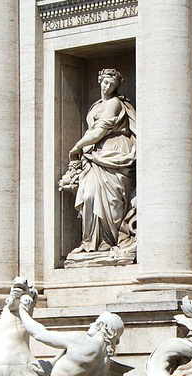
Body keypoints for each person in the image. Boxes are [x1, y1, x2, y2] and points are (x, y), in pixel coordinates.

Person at [61, 68, 137, 260]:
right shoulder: (95, 106)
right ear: (99, 81)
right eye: (105, 82)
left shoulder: (114, 103)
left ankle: (108, 241)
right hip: (96, 154)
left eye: (112, 84)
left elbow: (100, 131)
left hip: (115, 150)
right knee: (89, 195)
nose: (107, 87)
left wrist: (77, 147)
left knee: (112, 201)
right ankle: (90, 242)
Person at [16, 302, 125, 376]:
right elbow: (72, 375)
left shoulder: (82, 341)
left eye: (95, 322)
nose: (91, 324)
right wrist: (50, 366)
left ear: (101, 326)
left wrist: (22, 311)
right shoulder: (105, 364)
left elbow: (40, 334)